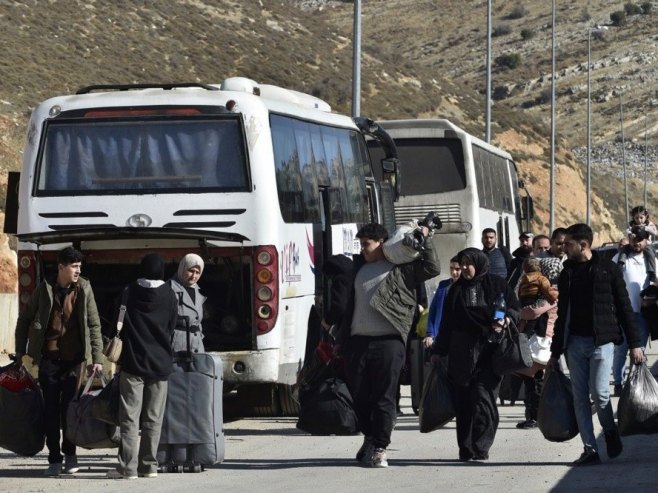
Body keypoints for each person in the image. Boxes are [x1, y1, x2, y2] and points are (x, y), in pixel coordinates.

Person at [340, 222, 440, 468]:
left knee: (384, 397)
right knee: (358, 396)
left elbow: (432, 267)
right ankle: (370, 437)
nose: (362, 249)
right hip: (357, 342)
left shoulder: (401, 269)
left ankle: (380, 448)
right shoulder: (359, 267)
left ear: (382, 244)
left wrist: (425, 237)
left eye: (367, 244)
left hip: (389, 341)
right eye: (360, 244)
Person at [548, 223, 643, 466]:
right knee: (580, 398)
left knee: (600, 395)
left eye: (568, 244)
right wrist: (555, 351)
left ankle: (609, 432)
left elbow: (624, 308)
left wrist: (635, 344)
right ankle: (590, 449)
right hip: (575, 344)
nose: (564, 248)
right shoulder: (567, 271)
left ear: (583, 245)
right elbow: (562, 313)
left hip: (602, 343)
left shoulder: (607, 269)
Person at [14, 246, 103, 477]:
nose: (78, 270)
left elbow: (94, 325)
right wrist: (20, 353)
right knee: (51, 412)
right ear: (61, 267)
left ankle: (70, 454)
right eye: (74, 266)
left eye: (79, 266)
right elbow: (24, 320)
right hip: (49, 361)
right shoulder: (44, 289)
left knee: (70, 411)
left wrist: (97, 358)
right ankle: (54, 457)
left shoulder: (84, 288)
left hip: (75, 362)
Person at [431, 248, 520, 462]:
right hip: (461, 352)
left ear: (479, 264)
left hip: (490, 351)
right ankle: (466, 448)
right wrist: (438, 351)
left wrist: (506, 319)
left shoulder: (497, 285)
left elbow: (515, 309)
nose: (463, 268)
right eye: (461, 264)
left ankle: (482, 447)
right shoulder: (455, 290)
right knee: (463, 403)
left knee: (483, 398)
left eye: (467, 264)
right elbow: (447, 324)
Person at [107, 253, 178, 479]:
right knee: (153, 419)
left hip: (133, 364)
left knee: (129, 418)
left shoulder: (129, 292)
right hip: (160, 366)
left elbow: (118, 322)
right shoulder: (169, 294)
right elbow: (171, 327)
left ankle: (127, 468)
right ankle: (149, 467)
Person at [515, 256, 563, 429]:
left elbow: (533, 313)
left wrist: (519, 312)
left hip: (542, 340)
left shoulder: (552, 292)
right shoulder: (544, 290)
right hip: (539, 339)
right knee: (534, 378)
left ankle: (536, 417)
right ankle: (536, 416)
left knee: (534, 379)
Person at [610, 227, 655, 395]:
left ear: (646, 240)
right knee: (620, 351)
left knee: (639, 352)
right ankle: (618, 383)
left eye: (641, 239)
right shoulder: (619, 258)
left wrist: (652, 299)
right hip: (622, 313)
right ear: (629, 239)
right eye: (635, 238)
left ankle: (634, 382)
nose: (637, 242)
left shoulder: (652, 260)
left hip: (643, 314)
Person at [168, 254, 206, 356]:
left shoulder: (197, 292)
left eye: (197, 272)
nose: (194, 276)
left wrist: (199, 337)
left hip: (197, 347)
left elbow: (197, 321)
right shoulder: (169, 289)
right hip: (177, 349)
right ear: (182, 268)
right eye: (191, 271)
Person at [423, 256, 461, 349]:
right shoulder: (443, 285)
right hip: (441, 334)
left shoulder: (466, 287)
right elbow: (433, 310)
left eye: (457, 269)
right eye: (451, 268)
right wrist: (430, 333)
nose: (453, 272)